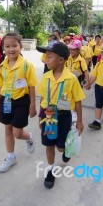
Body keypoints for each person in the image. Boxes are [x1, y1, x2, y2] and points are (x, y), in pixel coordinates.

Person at [36, 41, 85, 189]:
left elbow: (77, 100)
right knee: (49, 144)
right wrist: (40, 116)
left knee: (60, 148)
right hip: (49, 116)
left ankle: (66, 150)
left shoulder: (71, 79)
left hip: (64, 116)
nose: (46, 59)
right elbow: (43, 98)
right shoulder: (45, 77)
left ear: (61, 60)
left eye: (49, 56)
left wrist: (80, 121)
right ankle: (51, 170)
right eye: (46, 56)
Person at [0, 33, 38, 173]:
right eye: (7, 46)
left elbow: (31, 86)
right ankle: (11, 157)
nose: (11, 49)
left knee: (17, 133)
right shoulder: (2, 66)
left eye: (14, 45)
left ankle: (29, 137)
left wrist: (32, 105)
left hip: (21, 102)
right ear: (3, 48)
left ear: (20, 46)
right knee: (8, 130)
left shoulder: (26, 65)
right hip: (6, 100)